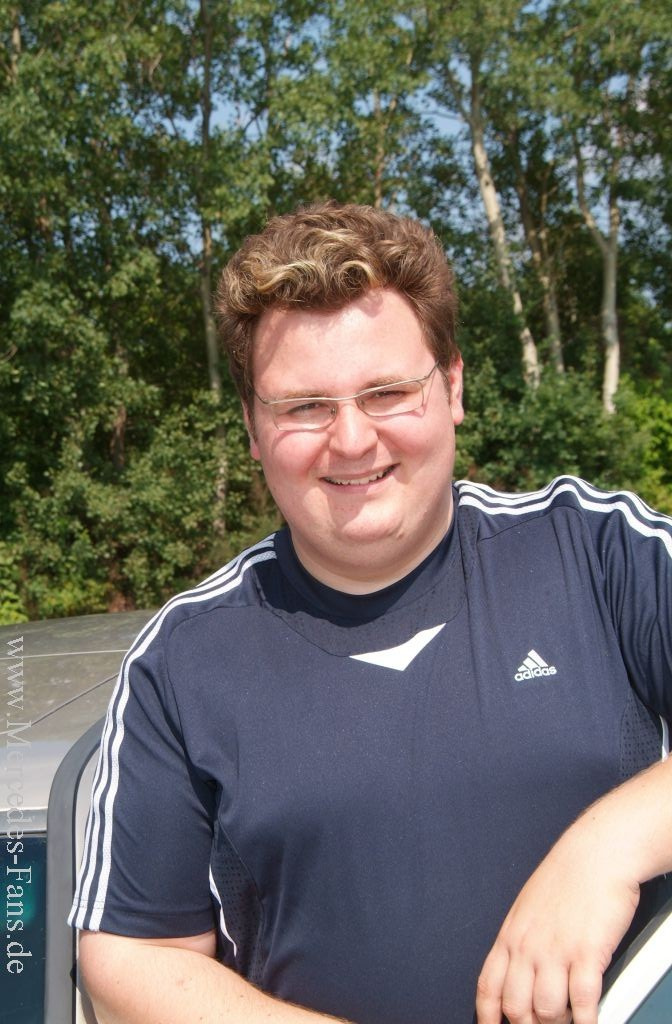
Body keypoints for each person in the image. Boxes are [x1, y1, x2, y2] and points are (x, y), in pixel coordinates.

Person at [70, 202, 672, 1024]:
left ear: (452, 387)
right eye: (304, 406)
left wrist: (607, 846)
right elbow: (131, 957)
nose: (352, 440)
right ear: (252, 427)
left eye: (388, 392)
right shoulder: (183, 662)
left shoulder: (600, 553)